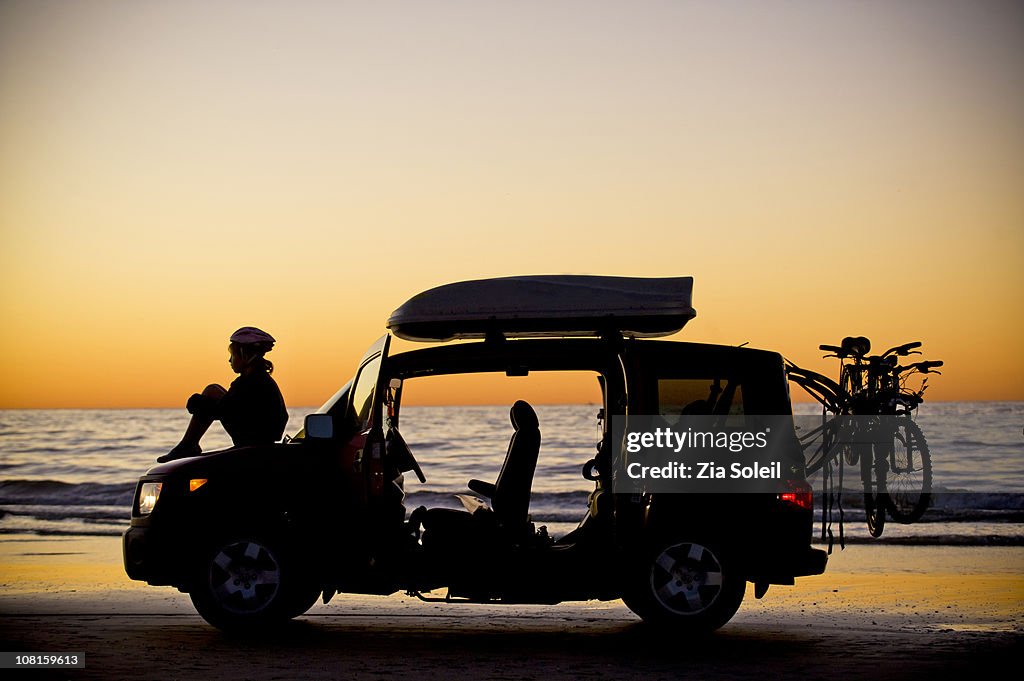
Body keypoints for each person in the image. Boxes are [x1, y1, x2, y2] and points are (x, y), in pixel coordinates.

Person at [157, 326, 288, 462]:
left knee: (211, 391)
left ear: (244, 355)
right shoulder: (259, 379)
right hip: (259, 438)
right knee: (213, 390)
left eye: (232, 355)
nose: (230, 360)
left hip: (254, 440)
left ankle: (188, 445)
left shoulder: (250, 382)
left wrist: (197, 402)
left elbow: (224, 410)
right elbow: (229, 407)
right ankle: (188, 445)